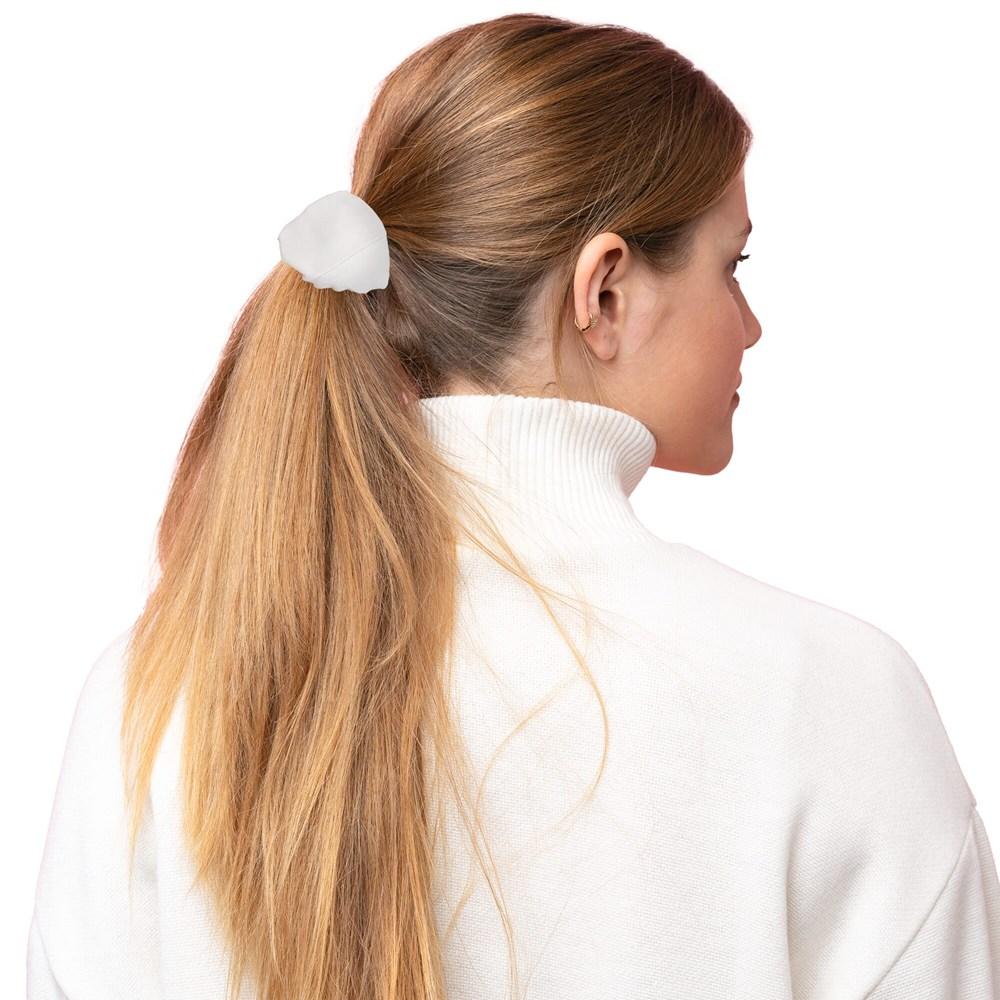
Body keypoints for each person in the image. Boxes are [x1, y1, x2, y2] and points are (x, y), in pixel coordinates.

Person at [27, 12, 1000, 1000]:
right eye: (732, 266)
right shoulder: (831, 701)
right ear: (605, 292)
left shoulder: (151, 699)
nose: (750, 325)